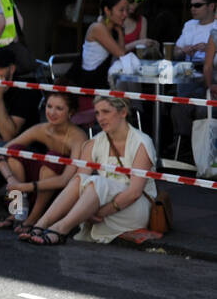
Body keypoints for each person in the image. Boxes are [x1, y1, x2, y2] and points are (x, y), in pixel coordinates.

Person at [24, 95, 156, 245]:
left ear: (123, 112)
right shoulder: (95, 142)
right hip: (102, 203)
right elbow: (78, 182)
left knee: (96, 181)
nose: (100, 118)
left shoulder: (141, 142)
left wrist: (99, 212)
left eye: (106, 112)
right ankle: (41, 224)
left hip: (134, 208)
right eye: (97, 113)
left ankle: (60, 229)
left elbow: (134, 193)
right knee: (80, 180)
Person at [0, 91, 87, 233]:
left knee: (52, 159)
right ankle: (16, 211)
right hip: (29, 188)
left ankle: (33, 218)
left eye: (59, 108)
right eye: (49, 106)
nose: (52, 112)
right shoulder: (41, 129)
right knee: (15, 151)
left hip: (57, 193)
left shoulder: (78, 137)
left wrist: (24, 187)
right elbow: (2, 152)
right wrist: (11, 180)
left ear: (71, 112)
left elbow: (65, 180)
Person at [169, 0, 217, 154]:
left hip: (211, 74)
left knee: (203, 108)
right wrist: (184, 51)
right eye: (191, 5)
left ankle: (199, 148)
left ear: (211, 6)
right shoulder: (189, 25)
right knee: (178, 105)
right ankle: (182, 144)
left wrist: (209, 49)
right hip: (189, 73)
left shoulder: (216, 28)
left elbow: (209, 66)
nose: (193, 8)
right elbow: (175, 51)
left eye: (198, 5)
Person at [68, 0, 128, 95]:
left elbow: (122, 54)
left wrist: (119, 32)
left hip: (100, 78)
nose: (125, 14)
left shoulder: (112, 29)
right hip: (90, 81)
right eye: (121, 10)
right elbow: (121, 54)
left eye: (126, 10)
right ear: (107, 11)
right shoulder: (98, 28)